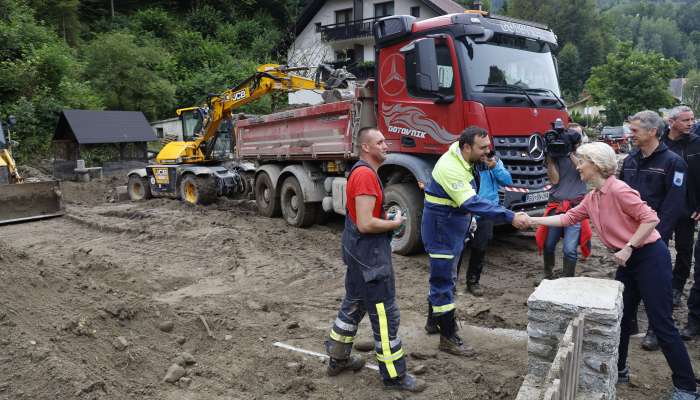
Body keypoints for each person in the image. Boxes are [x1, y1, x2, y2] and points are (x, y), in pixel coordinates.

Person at [529, 142, 698, 400]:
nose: (577, 166)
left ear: (595, 165)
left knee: (662, 323)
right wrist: (532, 220)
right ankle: (619, 370)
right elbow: (567, 218)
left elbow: (651, 218)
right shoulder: (594, 196)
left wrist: (629, 246)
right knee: (622, 320)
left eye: (582, 161)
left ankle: (686, 388)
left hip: (649, 257)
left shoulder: (619, 190)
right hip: (627, 262)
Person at [324, 127, 425, 392]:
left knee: (353, 307)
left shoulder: (363, 173)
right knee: (385, 315)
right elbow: (367, 223)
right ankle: (394, 376)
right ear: (366, 147)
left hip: (358, 255)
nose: (385, 145)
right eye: (379, 142)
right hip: (370, 258)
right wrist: (394, 223)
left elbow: (361, 220)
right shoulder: (366, 176)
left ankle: (337, 359)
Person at [421, 126, 529, 356]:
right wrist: (509, 216)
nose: (487, 152)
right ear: (466, 147)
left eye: (488, 146)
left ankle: (433, 323)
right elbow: (471, 202)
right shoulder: (451, 167)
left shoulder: (463, 157)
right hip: (442, 233)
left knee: (444, 278)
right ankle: (448, 337)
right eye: (483, 148)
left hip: (451, 229)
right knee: (443, 283)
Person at [619, 110, 688, 351]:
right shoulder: (629, 161)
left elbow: (674, 204)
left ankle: (654, 330)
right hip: (628, 237)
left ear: (652, 131)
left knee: (657, 286)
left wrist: (656, 234)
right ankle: (628, 326)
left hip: (656, 236)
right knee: (626, 284)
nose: (631, 134)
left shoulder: (673, 163)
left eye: (635, 130)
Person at [536, 124, 591, 280]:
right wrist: (550, 159)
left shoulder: (586, 156)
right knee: (548, 245)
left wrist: (569, 152)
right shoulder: (556, 153)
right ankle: (548, 274)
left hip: (576, 208)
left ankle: (568, 279)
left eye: (576, 136)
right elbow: (555, 180)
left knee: (569, 250)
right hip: (556, 206)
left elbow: (582, 171)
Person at [661, 106, 699, 307]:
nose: (691, 123)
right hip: (663, 208)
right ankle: (660, 283)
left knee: (685, 250)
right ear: (672, 122)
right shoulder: (660, 143)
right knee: (660, 247)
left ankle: (677, 287)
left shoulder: (696, 143)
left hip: (688, 209)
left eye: (692, 119)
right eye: (686, 120)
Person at [462, 148, 513, 296]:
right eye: (481, 151)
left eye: (487, 151)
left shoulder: (494, 162)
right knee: (458, 248)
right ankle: (451, 284)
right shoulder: (467, 163)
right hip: (467, 210)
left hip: (486, 212)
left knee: (480, 248)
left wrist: (494, 166)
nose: (484, 155)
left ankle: (473, 282)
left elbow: (507, 180)